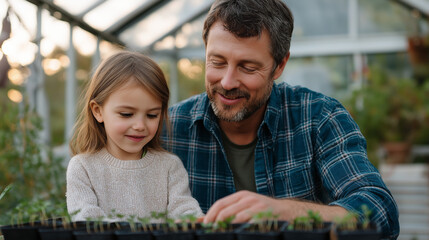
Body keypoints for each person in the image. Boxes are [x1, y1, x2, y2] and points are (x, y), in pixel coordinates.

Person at [161, 0, 399, 239]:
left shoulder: (319, 118)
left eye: (247, 67)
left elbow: (379, 212)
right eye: (217, 62)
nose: (227, 82)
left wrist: (285, 212)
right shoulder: (167, 129)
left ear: (279, 65)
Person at [66, 51, 203, 221]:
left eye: (152, 115)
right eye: (126, 114)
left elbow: (183, 208)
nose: (140, 126)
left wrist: (196, 221)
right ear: (98, 111)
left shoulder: (169, 166)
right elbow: (87, 219)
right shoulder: (83, 168)